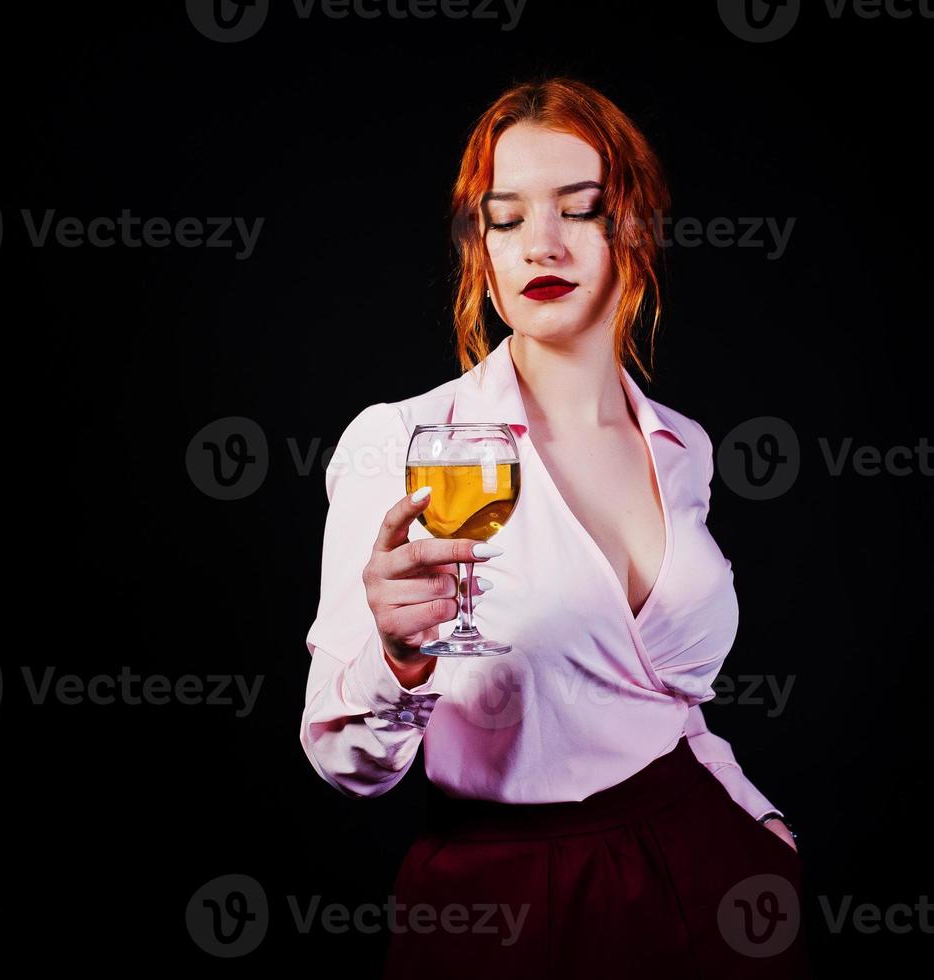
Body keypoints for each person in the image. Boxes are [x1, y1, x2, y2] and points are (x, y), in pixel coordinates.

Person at [300, 76, 808, 978]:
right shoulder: (405, 445)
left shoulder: (681, 446)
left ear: (632, 234)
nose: (542, 242)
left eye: (580, 210)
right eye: (506, 218)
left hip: (703, 875)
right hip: (502, 910)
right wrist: (396, 652)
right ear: (480, 252)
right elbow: (349, 762)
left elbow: (671, 705)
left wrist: (756, 818)